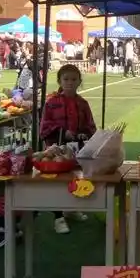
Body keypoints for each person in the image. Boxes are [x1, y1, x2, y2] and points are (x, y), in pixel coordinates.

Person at [40, 64, 97, 234]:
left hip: (77, 150)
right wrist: (62, 132)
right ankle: (58, 217)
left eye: (74, 79)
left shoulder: (83, 103)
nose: (70, 83)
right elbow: (44, 127)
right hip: (55, 150)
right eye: (66, 79)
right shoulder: (51, 103)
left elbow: (91, 127)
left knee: (75, 178)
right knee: (57, 182)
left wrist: (83, 134)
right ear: (60, 81)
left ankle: (71, 209)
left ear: (79, 81)